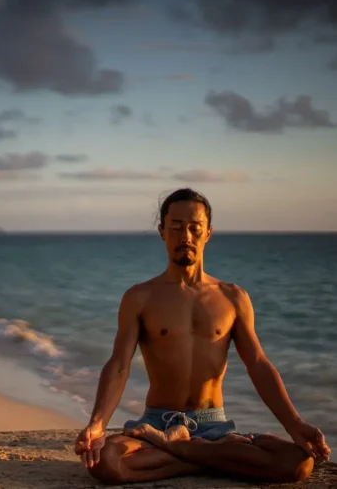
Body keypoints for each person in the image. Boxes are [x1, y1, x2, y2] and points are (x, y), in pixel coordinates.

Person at [74, 188, 331, 485]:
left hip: (215, 427)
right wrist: (97, 424)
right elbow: (119, 365)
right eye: (177, 227)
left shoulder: (232, 297)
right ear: (162, 232)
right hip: (158, 421)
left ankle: (175, 448)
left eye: (195, 228)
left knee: (298, 464)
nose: (186, 235)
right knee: (105, 462)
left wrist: (295, 425)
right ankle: (206, 459)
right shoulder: (140, 297)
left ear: (207, 233)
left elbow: (258, 365)